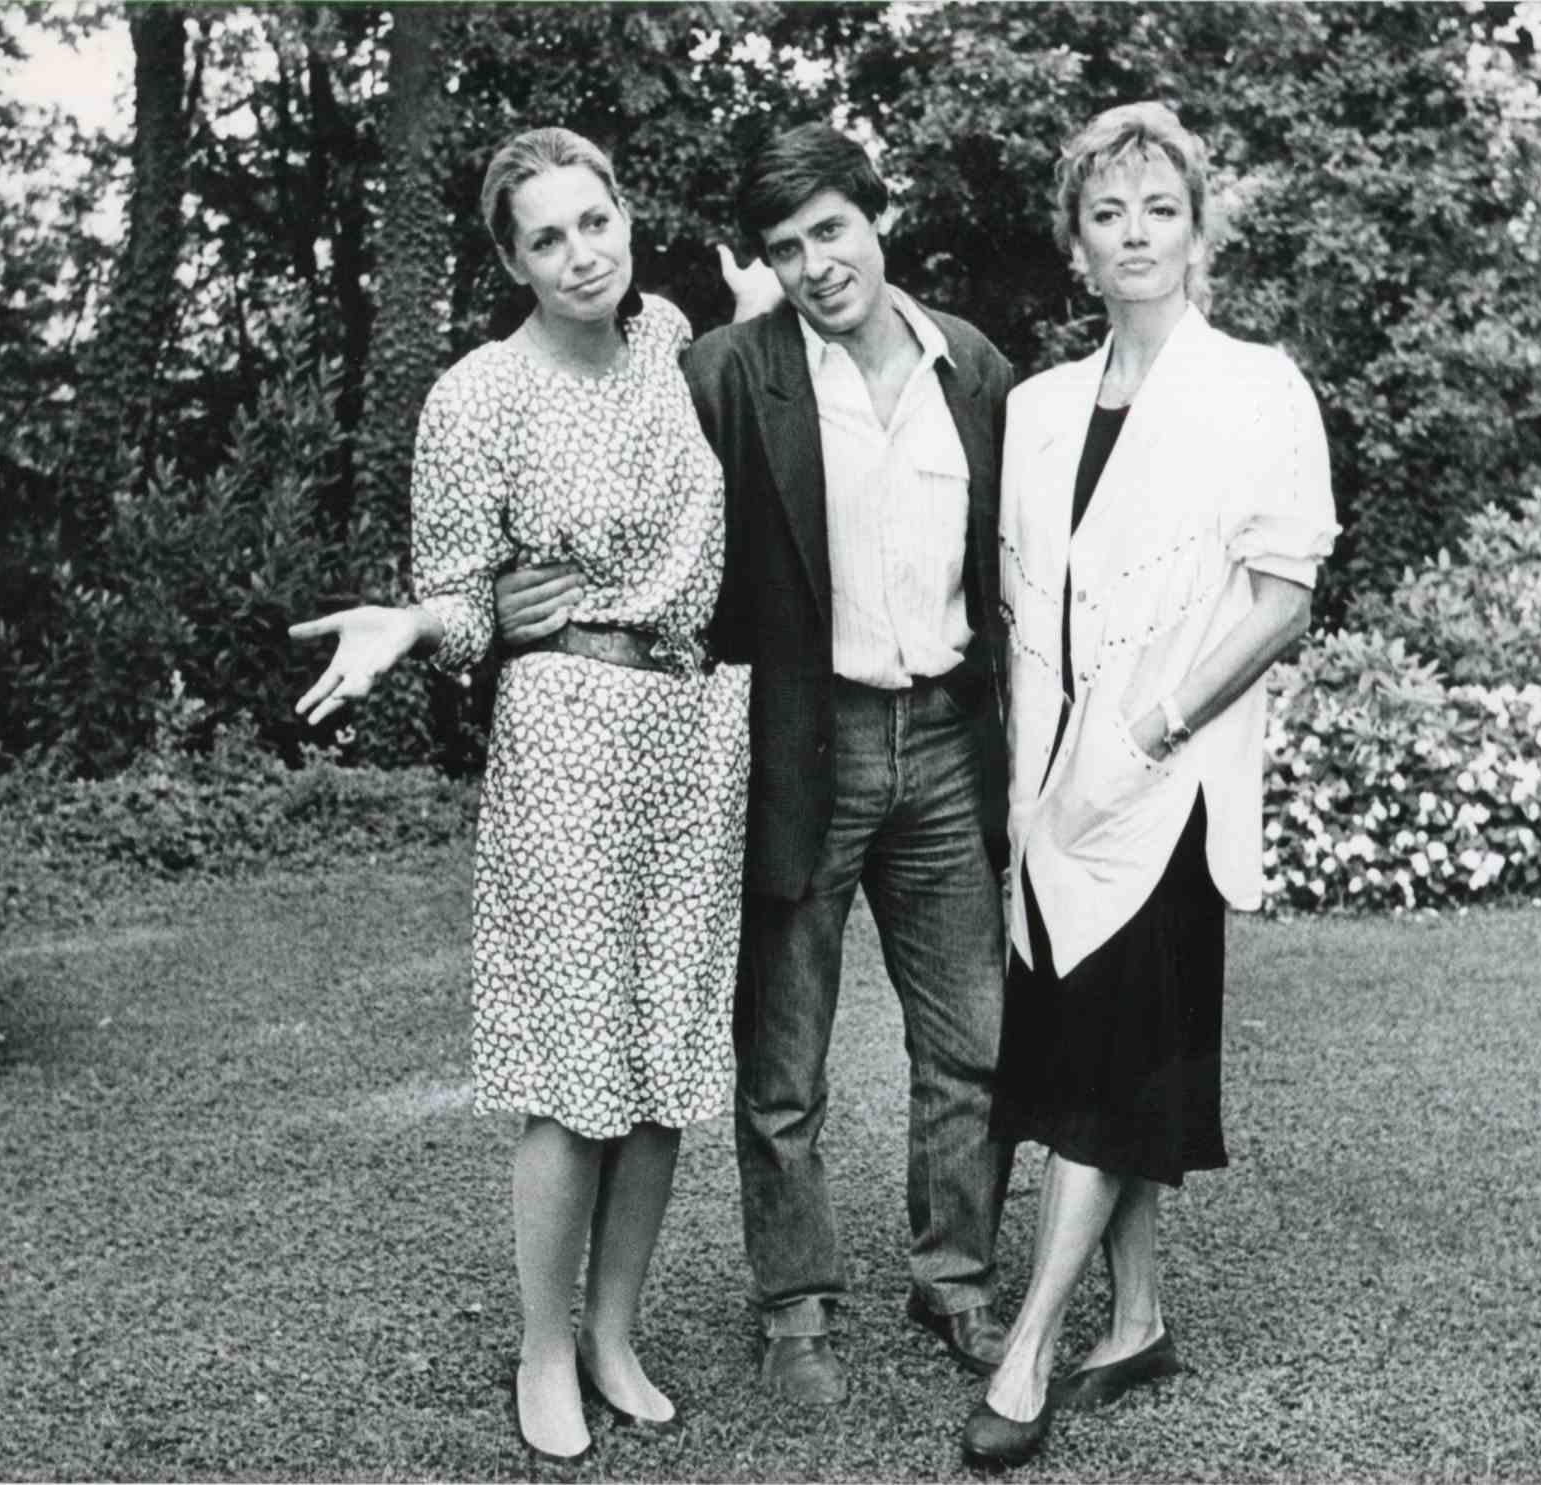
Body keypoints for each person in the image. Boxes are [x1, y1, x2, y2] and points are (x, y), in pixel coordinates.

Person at [496, 123, 1016, 1405]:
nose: (815, 264)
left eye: (830, 230)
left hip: (947, 739)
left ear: (876, 216)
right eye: (784, 249)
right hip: (801, 742)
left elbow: (1016, 566)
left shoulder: (977, 368)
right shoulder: (729, 370)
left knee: (970, 1047)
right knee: (781, 1064)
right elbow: (620, 473)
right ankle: (797, 1308)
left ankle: (953, 1283)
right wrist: (517, 591)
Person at [288, 126, 751, 1467]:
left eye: (593, 221)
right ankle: (545, 1350)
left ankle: (615, 1330)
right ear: (512, 259)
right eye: (545, 237)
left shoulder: (675, 343)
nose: (579, 253)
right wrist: (422, 622)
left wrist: (774, 297)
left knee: (665, 1059)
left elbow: (772, 371)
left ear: (626, 218)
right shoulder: (477, 395)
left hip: (695, 730)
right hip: (565, 735)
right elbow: (457, 586)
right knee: (569, 1067)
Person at [959, 101, 1338, 1467]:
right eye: (1106, 211)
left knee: (1108, 1051)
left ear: (1197, 229)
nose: (1134, 233)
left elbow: (1285, 597)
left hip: (1172, 784)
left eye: (1158, 209)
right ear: (1077, 241)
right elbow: (1022, 617)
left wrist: (1159, 724)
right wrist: (1031, 789)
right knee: (1080, 1050)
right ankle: (1139, 1320)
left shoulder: (1257, 388)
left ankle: (1030, 1348)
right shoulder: (1045, 408)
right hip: (1056, 792)